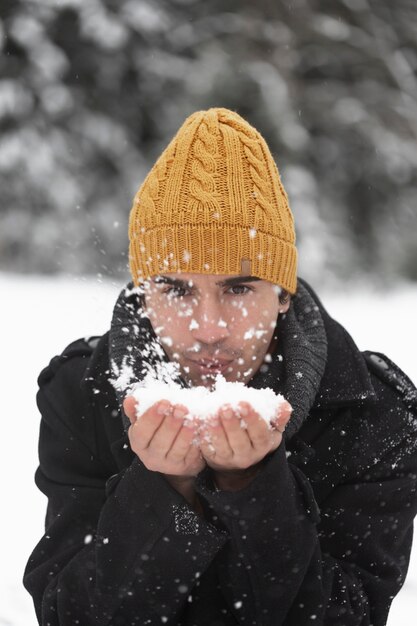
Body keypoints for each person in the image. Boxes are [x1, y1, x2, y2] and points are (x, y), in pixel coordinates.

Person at [24, 108, 417, 626]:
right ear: (144, 293)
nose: (207, 328)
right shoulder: (82, 394)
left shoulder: (373, 416)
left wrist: (253, 488)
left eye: (238, 288)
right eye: (176, 288)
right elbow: (67, 615)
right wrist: (163, 492)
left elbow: (352, 617)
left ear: (281, 294)